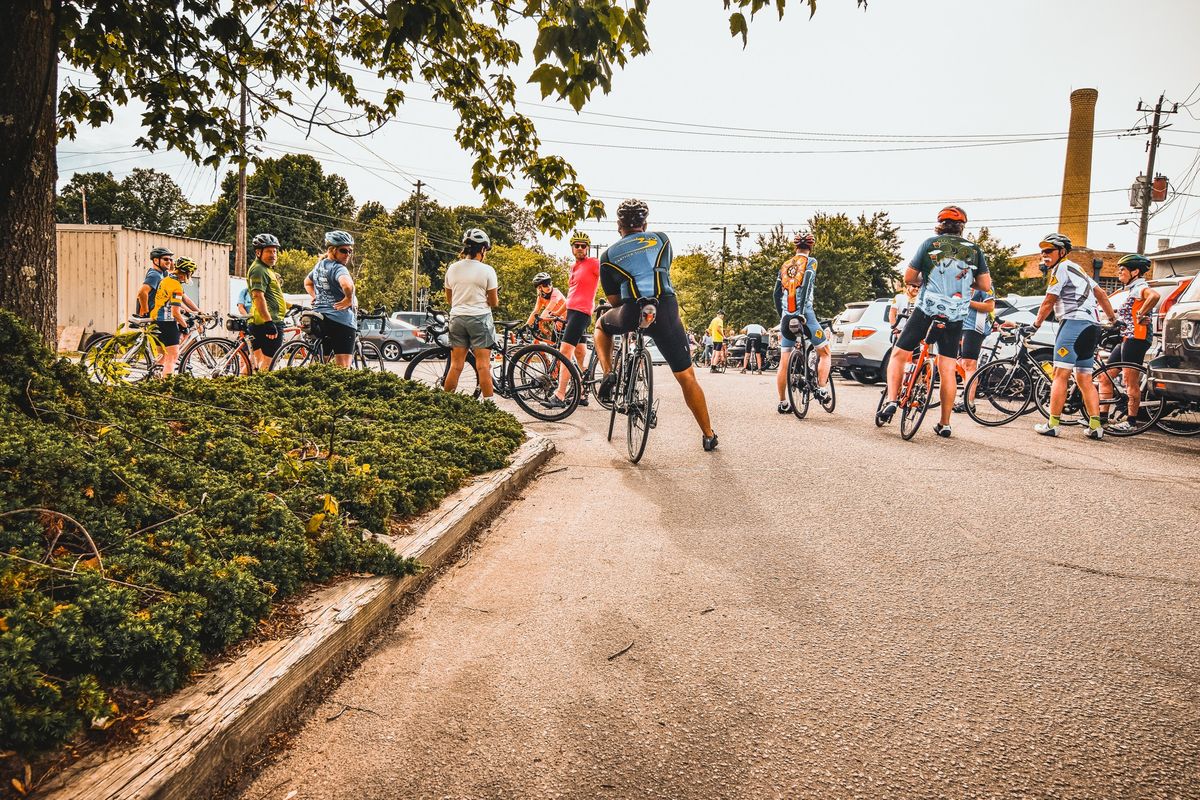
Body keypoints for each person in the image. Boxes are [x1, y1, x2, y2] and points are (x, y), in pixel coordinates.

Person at [593, 199, 718, 451]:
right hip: (665, 308)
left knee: (600, 326)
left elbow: (614, 300)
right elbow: (662, 271)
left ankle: (608, 373)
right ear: (645, 223)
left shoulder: (607, 256)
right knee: (686, 376)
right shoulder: (662, 239)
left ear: (618, 225)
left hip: (631, 310)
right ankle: (708, 434)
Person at [876, 206, 993, 438]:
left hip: (927, 309)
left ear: (940, 224)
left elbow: (909, 277)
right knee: (947, 368)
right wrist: (964, 284)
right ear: (962, 227)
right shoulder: (974, 250)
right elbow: (985, 286)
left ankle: (891, 399)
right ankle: (945, 423)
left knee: (899, 354)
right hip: (956, 315)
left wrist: (926, 280)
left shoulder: (929, 244)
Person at [1030, 232, 1117, 439]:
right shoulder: (1079, 270)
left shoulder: (1060, 269)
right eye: (1042, 252)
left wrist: (1035, 325)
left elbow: (1049, 301)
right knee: (1084, 378)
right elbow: (1101, 294)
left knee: (1059, 375)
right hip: (1092, 326)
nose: (1044, 255)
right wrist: (1113, 320)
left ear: (1061, 252)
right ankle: (1096, 427)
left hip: (1073, 324)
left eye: (1049, 251)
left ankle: (1052, 424)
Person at [1100, 253, 1160, 433]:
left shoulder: (1140, 287)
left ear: (1135, 271)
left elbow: (1155, 296)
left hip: (1137, 339)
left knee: (1129, 381)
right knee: (1106, 376)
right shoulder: (1132, 288)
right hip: (1127, 337)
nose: (1119, 272)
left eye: (1123, 269)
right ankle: (1102, 418)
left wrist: (1141, 314)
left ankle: (1131, 421)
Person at [774, 231, 832, 413]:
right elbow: (806, 284)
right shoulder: (811, 262)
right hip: (805, 314)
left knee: (784, 361)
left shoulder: (785, 265)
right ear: (811, 247)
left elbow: (776, 293)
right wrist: (800, 313)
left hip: (786, 317)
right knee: (825, 352)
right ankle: (822, 389)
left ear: (795, 247)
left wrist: (782, 315)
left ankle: (783, 402)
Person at [545, 232, 601, 409]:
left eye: (583, 246)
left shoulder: (594, 263)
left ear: (588, 248)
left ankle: (560, 395)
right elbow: (571, 297)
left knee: (564, 352)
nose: (580, 248)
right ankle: (584, 393)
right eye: (576, 245)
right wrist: (557, 314)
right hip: (572, 312)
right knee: (579, 355)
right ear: (572, 248)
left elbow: (609, 275)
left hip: (582, 313)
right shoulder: (573, 267)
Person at [444, 228, 499, 399]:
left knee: (456, 365)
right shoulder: (487, 270)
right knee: (483, 366)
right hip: (480, 319)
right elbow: (494, 302)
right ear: (482, 249)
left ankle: (445, 404)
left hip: (457, 319)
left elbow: (449, 299)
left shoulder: (452, 269)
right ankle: (491, 408)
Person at [305, 230, 359, 368]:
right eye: (343, 250)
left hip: (321, 319)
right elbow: (347, 285)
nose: (347, 255)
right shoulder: (339, 268)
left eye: (350, 251)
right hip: (341, 321)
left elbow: (307, 282)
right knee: (343, 367)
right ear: (332, 249)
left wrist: (315, 297)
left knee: (324, 365)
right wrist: (348, 299)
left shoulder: (319, 266)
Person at [246, 233, 288, 372]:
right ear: (258, 252)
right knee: (268, 363)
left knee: (255, 364)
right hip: (269, 321)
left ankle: (242, 388)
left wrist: (292, 306)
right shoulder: (259, 269)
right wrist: (269, 322)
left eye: (275, 251)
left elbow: (272, 296)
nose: (273, 254)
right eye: (269, 251)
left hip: (261, 320)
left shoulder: (266, 269)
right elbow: (258, 296)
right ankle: (260, 391)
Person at [148, 256, 193, 376]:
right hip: (167, 323)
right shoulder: (176, 286)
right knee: (172, 358)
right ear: (186, 273)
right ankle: (166, 388)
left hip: (156, 321)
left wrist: (197, 312)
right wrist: (185, 326)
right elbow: (175, 312)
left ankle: (156, 383)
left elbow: (183, 300)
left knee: (162, 357)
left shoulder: (167, 280)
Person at [954, 287, 996, 413]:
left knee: (969, 364)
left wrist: (967, 302)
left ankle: (969, 402)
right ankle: (966, 395)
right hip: (959, 325)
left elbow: (990, 306)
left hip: (974, 327)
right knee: (961, 363)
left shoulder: (984, 284)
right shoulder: (960, 280)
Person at [526, 271, 568, 343]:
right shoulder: (540, 297)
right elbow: (535, 311)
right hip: (558, 324)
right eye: (545, 284)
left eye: (550, 283)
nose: (549, 286)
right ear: (539, 288)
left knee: (563, 350)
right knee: (554, 349)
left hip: (568, 322)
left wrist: (539, 321)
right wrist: (526, 325)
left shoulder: (556, 292)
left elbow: (549, 308)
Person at [136, 246, 174, 317]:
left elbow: (172, 270)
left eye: (170, 259)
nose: (169, 261)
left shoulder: (163, 273)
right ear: (156, 260)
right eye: (166, 259)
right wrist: (145, 311)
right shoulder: (155, 275)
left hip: (160, 313)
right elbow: (142, 292)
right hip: (153, 316)